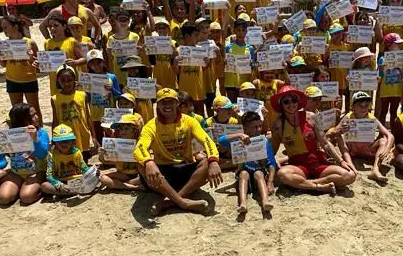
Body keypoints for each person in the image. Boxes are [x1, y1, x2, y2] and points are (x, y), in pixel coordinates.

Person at [134, 88, 223, 216]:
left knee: (207, 162)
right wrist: (148, 162)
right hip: (162, 174)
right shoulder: (151, 126)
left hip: (184, 167)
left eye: (171, 101)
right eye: (163, 102)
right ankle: (183, 203)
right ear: (157, 105)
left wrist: (214, 160)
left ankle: (169, 202)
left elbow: (207, 140)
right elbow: (140, 147)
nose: (167, 105)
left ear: (177, 104)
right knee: (141, 164)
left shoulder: (189, 121)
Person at [269, 84, 356, 194]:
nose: (291, 104)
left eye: (294, 100)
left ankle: (307, 184)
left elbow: (325, 143)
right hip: (297, 166)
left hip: (318, 162)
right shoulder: (278, 124)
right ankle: (319, 187)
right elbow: (274, 148)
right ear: (281, 105)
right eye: (286, 102)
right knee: (283, 174)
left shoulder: (310, 117)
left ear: (298, 102)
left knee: (350, 176)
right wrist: (267, 166)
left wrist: (341, 161)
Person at [219, 110, 277, 218]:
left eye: (260, 126)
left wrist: (270, 181)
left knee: (259, 173)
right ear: (245, 128)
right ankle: (243, 203)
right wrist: (239, 134)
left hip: (258, 175)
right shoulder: (238, 139)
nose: (259, 129)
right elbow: (221, 140)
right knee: (243, 174)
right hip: (243, 173)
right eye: (255, 127)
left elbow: (272, 162)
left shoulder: (263, 140)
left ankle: (265, 202)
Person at [0, 103, 50, 206]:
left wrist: (35, 140)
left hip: (36, 171)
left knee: (26, 198)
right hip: (17, 172)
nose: (37, 117)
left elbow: (43, 154)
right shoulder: (10, 134)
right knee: (3, 198)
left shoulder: (41, 132)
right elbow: (1, 157)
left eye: (36, 114)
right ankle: (19, 187)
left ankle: (40, 189)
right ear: (22, 120)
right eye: (32, 116)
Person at [340, 90, 395, 184]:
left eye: (366, 105)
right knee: (339, 137)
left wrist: (387, 149)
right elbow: (334, 131)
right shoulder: (348, 117)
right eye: (360, 105)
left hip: (368, 149)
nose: (363, 108)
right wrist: (341, 129)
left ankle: (375, 169)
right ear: (353, 107)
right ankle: (350, 165)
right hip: (351, 149)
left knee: (383, 141)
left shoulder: (371, 118)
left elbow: (389, 135)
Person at [0, 17, 42, 123]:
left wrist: (32, 57)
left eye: (6, 27)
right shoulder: (4, 44)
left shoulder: (30, 42)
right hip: (12, 80)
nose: (4, 30)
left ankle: (40, 133)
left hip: (29, 79)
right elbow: (4, 65)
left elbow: (40, 65)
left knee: (34, 108)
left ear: (16, 27)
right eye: (3, 28)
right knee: (17, 110)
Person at [50, 67, 94, 158]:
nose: (66, 83)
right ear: (58, 81)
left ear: (75, 80)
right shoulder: (55, 99)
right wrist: (54, 138)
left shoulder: (83, 95)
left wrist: (94, 136)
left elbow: (88, 117)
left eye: (69, 80)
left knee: (84, 160)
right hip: (65, 137)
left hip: (82, 135)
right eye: (63, 80)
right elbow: (55, 120)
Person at [41, 125, 92, 198]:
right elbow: (49, 175)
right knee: (44, 186)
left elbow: (84, 168)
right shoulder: (52, 154)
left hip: (76, 179)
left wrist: (92, 173)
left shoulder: (77, 153)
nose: (63, 144)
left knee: (93, 179)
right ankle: (76, 192)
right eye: (60, 142)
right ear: (55, 143)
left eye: (66, 141)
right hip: (60, 181)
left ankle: (66, 193)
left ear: (72, 142)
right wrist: (59, 185)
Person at [99, 113, 144, 192]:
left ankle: (120, 185)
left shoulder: (140, 142)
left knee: (148, 176)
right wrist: (102, 154)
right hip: (123, 174)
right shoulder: (115, 144)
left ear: (134, 130)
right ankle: (132, 187)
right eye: (120, 129)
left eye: (126, 129)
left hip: (138, 174)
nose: (122, 131)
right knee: (103, 178)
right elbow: (105, 161)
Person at [86, 49, 121, 145]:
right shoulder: (87, 80)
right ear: (89, 65)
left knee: (112, 140)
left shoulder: (112, 77)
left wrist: (112, 90)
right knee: (100, 142)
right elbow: (87, 99)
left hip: (110, 115)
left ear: (103, 62)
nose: (96, 66)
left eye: (99, 62)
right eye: (93, 63)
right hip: (95, 116)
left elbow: (119, 96)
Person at [377, 32, 403, 126]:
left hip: (397, 90)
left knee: (394, 112)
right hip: (385, 90)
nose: (399, 45)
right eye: (397, 43)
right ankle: (381, 134)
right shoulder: (382, 59)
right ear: (389, 45)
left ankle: (393, 133)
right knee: (383, 112)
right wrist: (381, 70)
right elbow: (380, 76)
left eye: (399, 43)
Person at [223, 16, 254, 101]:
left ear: (246, 31)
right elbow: (224, 63)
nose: (241, 33)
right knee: (233, 106)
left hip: (245, 83)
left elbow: (253, 65)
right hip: (230, 83)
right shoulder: (228, 47)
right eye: (238, 30)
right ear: (234, 31)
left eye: (243, 30)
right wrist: (225, 62)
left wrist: (252, 64)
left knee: (243, 108)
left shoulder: (250, 48)